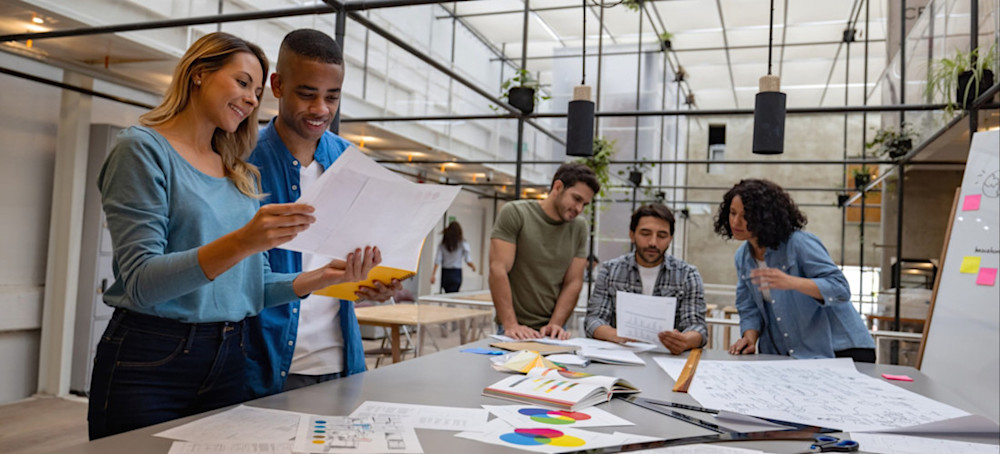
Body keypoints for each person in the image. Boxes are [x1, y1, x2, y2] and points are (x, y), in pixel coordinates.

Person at [88, 32, 380, 440]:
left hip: (229, 357)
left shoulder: (235, 168)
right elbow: (139, 282)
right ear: (198, 74)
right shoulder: (142, 149)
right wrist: (245, 240)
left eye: (256, 91)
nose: (250, 99)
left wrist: (326, 277)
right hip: (152, 358)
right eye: (242, 82)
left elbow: (254, 288)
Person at [245, 29, 400, 397]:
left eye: (332, 97)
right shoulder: (243, 159)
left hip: (343, 365)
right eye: (307, 94)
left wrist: (372, 284)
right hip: (262, 368)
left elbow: (354, 258)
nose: (321, 109)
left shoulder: (350, 161)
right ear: (278, 85)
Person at [714, 179, 876, 362]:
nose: (736, 221)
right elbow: (749, 307)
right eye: (732, 213)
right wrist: (749, 339)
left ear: (765, 216)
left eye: (746, 216)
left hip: (841, 348)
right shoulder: (742, 257)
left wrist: (792, 282)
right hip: (794, 355)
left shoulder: (799, 243)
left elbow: (840, 288)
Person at [489, 163, 599, 340]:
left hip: (553, 330)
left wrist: (555, 324)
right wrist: (511, 325)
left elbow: (573, 282)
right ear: (558, 187)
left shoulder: (579, 227)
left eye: (584, 204)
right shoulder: (516, 213)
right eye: (576, 199)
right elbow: (498, 269)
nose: (579, 209)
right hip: (514, 329)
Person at [585, 204, 707, 354]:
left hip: (669, 360)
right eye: (645, 233)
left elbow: (697, 327)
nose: (653, 243)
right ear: (632, 234)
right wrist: (615, 335)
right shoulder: (611, 270)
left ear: (670, 238)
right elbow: (594, 320)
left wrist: (684, 340)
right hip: (621, 356)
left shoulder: (687, 275)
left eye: (662, 236)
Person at [430, 221, 476, 293]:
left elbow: (438, 260)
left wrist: (433, 274)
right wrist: (473, 266)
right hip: (456, 273)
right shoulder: (462, 243)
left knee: (447, 293)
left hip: (446, 273)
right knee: (454, 294)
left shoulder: (443, 244)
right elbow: (467, 260)